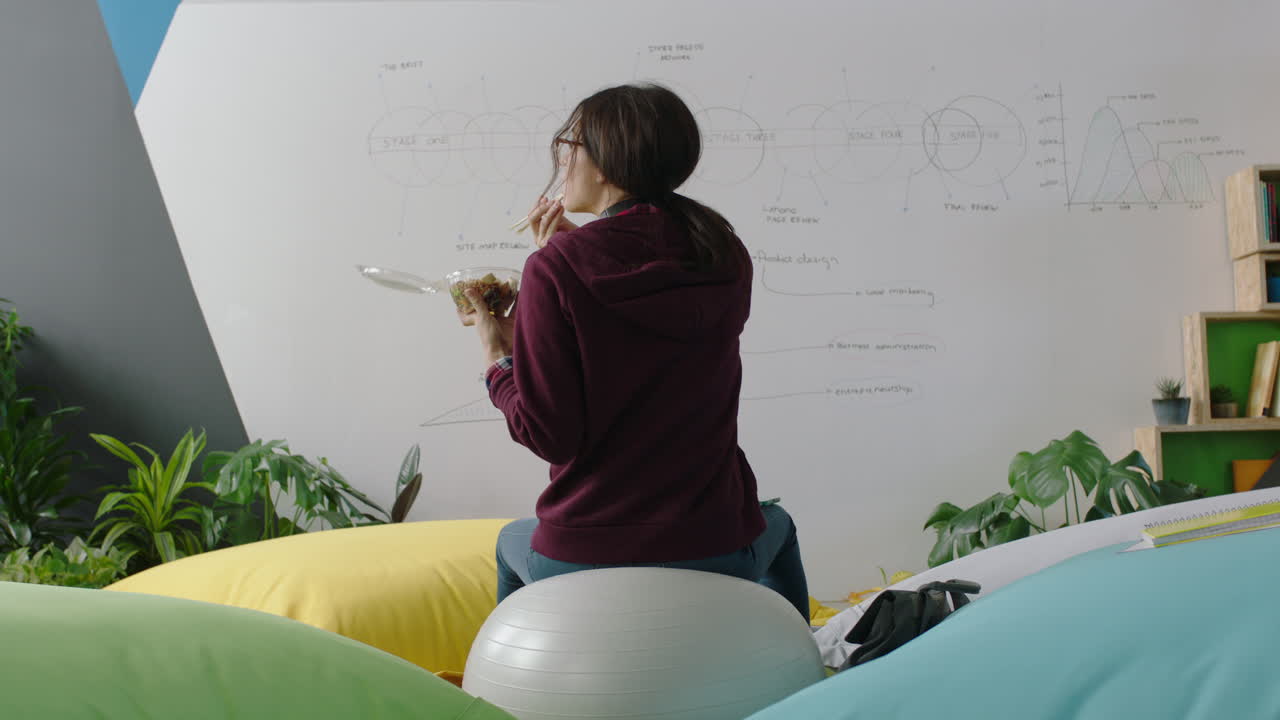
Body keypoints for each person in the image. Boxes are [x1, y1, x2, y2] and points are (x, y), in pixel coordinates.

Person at [459, 82, 809, 621]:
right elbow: (647, 323)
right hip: (715, 543)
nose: (562, 161)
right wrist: (566, 260)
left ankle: (509, 699)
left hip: (586, 553)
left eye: (568, 146)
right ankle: (802, 684)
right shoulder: (723, 251)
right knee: (779, 528)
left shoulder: (556, 268)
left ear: (604, 164)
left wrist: (496, 358)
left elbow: (548, 432)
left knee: (511, 543)